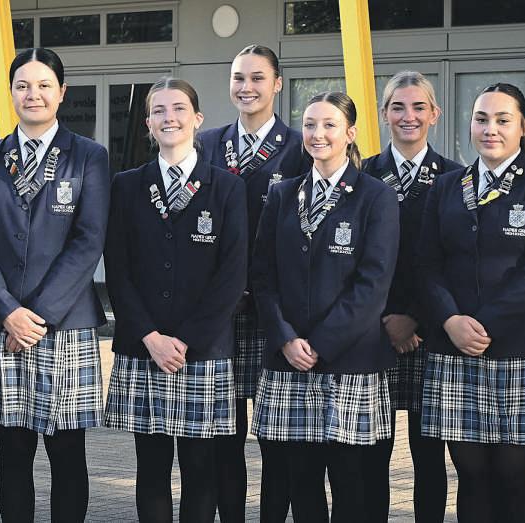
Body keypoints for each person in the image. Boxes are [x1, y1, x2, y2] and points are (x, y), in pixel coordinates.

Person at [0, 47, 111, 523]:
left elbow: (89, 240)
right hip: (0, 323)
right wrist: (8, 311)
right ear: (11, 93)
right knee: (13, 455)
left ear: (62, 92)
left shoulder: (89, 156)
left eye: (44, 85)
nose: (33, 94)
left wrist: (34, 317)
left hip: (62, 324)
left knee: (68, 455)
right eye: (22, 85)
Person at [418, 82, 525, 523]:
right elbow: (426, 264)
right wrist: (450, 320)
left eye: (503, 120)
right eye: (481, 119)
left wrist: (480, 324)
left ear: (524, 126)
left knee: (513, 474)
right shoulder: (447, 186)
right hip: (454, 347)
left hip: (523, 347)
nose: (490, 129)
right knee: (470, 474)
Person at [103, 77, 249, 523]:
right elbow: (118, 269)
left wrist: (185, 340)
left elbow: (232, 275)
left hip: (201, 350)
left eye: (179, 109)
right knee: (150, 469)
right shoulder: (127, 185)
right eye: (159, 111)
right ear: (148, 124)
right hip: (143, 347)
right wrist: (150, 336)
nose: (170, 118)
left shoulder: (226, 187)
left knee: (201, 470)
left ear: (197, 118)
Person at [252, 91, 399, 522]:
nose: (318, 133)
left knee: (350, 479)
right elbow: (262, 275)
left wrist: (320, 343)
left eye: (330, 125)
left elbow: (373, 284)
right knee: (300, 479)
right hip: (289, 359)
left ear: (350, 133)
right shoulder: (283, 194)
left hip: (347, 359)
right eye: (310, 124)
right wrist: (285, 338)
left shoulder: (375, 196)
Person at [194, 44, 311, 523]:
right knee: (224, 431)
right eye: (238, 78)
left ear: (278, 84)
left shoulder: (301, 146)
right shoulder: (207, 143)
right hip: (219, 312)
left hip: (274, 312)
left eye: (258, 78)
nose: (247, 87)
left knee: (277, 435)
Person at [357, 70, 464, 523]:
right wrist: (383, 319)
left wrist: (415, 319)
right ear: (384, 113)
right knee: (371, 452)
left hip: (430, 332)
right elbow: (353, 260)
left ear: (434, 114)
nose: (409, 116)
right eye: (398, 107)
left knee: (429, 453)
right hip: (372, 331)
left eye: (419, 107)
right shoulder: (362, 174)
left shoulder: (457, 178)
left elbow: (454, 260)